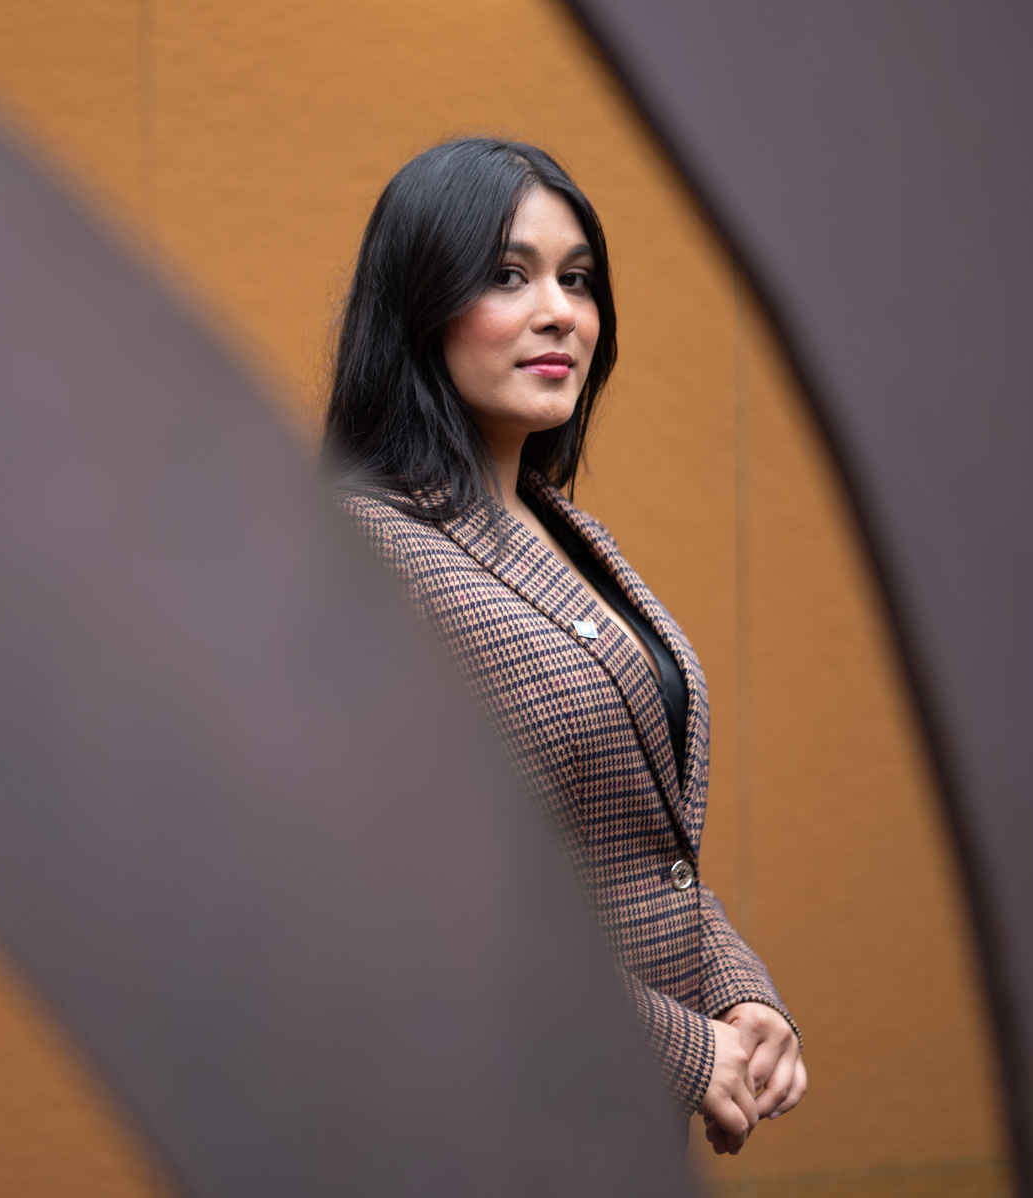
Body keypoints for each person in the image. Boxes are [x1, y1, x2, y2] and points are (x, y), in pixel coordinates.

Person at [325, 138, 805, 1153]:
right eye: (508, 275)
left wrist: (736, 991)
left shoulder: (565, 532)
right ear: (418, 305)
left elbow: (631, 844)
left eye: (577, 279)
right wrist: (682, 1048)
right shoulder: (363, 551)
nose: (559, 312)